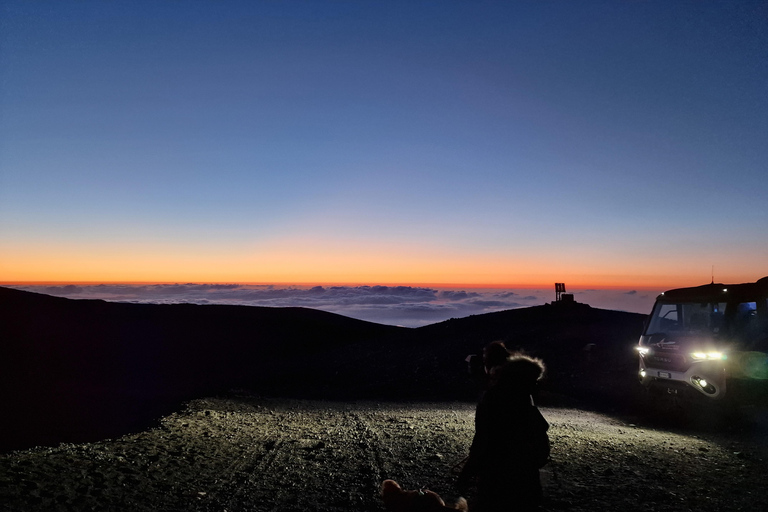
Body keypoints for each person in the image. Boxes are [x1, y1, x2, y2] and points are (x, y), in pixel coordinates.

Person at [458, 354, 549, 511]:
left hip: (496, 473)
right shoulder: (524, 400)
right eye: (533, 381)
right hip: (524, 475)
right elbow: (540, 430)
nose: (535, 386)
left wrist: (467, 471)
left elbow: (482, 439)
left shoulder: (493, 398)